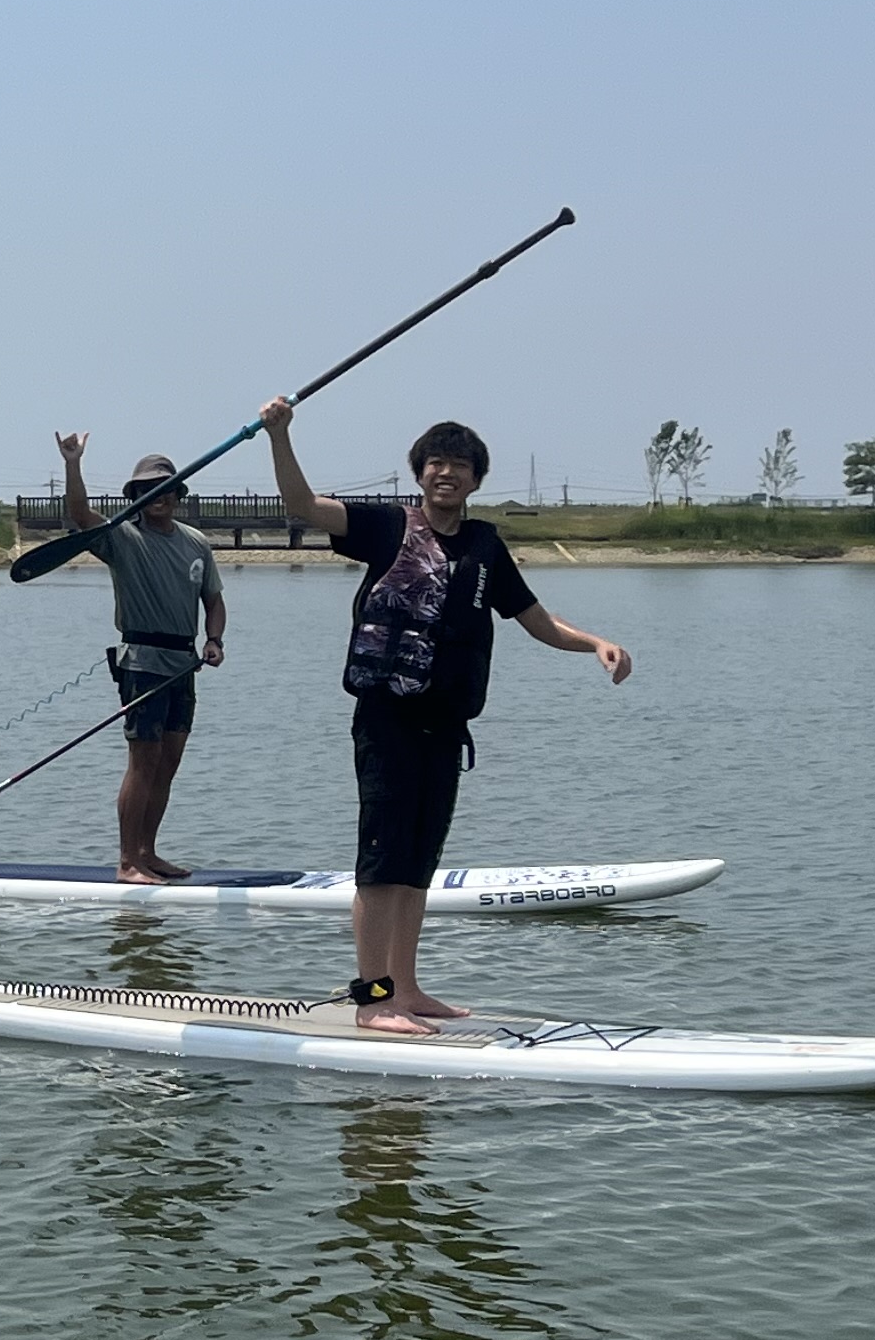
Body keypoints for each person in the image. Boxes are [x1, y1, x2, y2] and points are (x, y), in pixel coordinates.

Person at [258, 398, 629, 1032]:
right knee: (381, 864)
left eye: (459, 465)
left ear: (477, 479)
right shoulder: (386, 528)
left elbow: (535, 619)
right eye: (435, 464)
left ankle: (407, 986)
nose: (445, 474)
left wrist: (593, 642)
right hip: (387, 718)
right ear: (419, 473)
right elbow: (303, 505)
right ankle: (374, 1002)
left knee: (418, 864)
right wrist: (280, 436)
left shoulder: (484, 543)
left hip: (446, 725)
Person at [54, 429, 228, 884]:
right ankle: (127, 860)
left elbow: (214, 600)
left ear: (177, 495)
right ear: (135, 496)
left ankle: (149, 853)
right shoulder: (123, 538)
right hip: (142, 662)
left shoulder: (195, 543)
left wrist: (214, 640)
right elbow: (77, 514)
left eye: (166, 489)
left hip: (183, 663)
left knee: (168, 763)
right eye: (147, 490)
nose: (159, 497)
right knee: (143, 762)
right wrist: (73, 464)